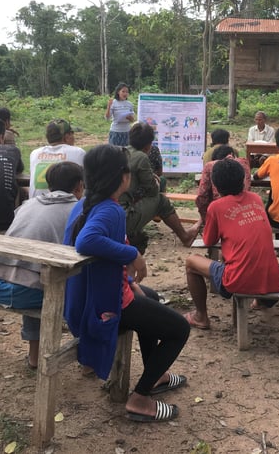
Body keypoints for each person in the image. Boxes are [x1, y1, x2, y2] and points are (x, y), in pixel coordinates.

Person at [64, 144, 189, 422]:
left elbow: (101, 255)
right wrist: (133, 254)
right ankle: (140, 399)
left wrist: (129, 279)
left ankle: (156, 375)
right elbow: (87, 241)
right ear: (122, 177)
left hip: (85, 300)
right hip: (103, 308)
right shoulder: (111, 210)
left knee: (150, 297)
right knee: (179, 329)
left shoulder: (84, 204)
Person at [0, 161, 84, 369]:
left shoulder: (28, 204)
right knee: (64, 286)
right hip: (27, 291)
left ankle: (34, 356)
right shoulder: (78, 211)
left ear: (49, 185)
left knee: (36, 277)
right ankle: (89, 358)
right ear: (79, 186)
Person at [184, 159, 279, 329]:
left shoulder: (216, 207)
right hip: (273, 278)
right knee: (246, 254)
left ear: (216, 186)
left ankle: (201, 316)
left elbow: (209, 241)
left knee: (191, 262)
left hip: (238, 280)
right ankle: (260, 301)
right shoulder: (256, 199)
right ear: (243, 180)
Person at [119, 122, 200, 254]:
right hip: (124, 217)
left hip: (112, 212)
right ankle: (185, 236)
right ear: (148, 145)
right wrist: (155, 180)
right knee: (161, 200)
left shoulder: (122, 152)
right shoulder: (141, 157)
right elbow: (152, 190)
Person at [28, 119, 86, 198]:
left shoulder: (35, 153)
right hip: (68, 204)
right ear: (66, 137)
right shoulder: (78, 152)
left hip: (36, 203)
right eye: (72, 133)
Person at [195, 144, 250, 222]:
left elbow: (202, 196)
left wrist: (205, 218)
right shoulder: (244, 163)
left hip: (220, 215)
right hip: (244, 212)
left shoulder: (210, 166)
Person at [105, 82, 135, 147]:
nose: (125, 93)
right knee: (114, 151)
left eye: (127, 92)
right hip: (115, 132)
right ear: (118, 92)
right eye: (123, 91)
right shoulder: (113, 103)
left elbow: (133, 120)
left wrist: (130, 118)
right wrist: (109, 106)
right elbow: (107, 118)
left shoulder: (130, 104)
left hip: (127, 132)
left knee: (126, 151)